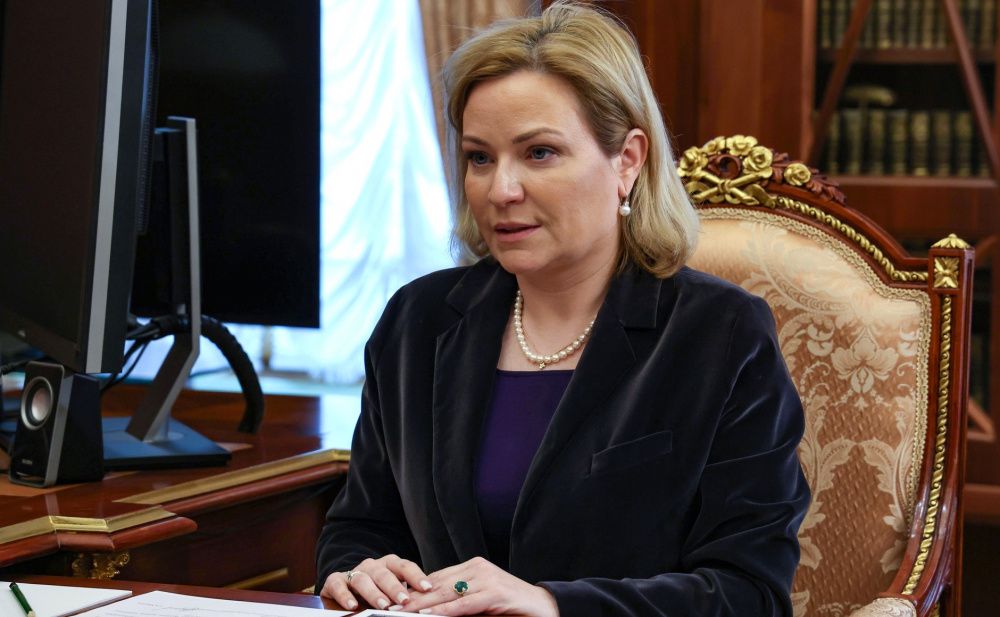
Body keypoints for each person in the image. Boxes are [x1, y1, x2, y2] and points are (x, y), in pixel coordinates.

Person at [315, 2, 810, 616]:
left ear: (627, 160)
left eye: (540, 153)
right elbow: (360, 526)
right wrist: (358, 571)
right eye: (479, 157)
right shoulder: (417, 321)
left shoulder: (721, 334)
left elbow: (750, 593)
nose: (500, 190)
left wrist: (551, 605)